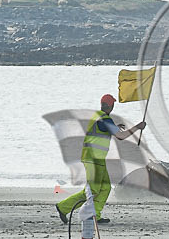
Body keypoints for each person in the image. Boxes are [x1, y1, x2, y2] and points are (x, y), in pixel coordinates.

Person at [55, 94, 145, 224]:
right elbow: (121, 136)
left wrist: (115, 127)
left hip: (97, 159)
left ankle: (94, 215)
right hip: (92, 159)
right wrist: (138, 127)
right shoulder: (105, 120)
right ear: (110, 106)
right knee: (93, 190)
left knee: (105, 188)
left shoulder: (98, 116)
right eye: (113, 104)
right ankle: (63, 207)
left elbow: (103, 129)